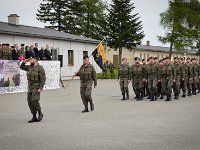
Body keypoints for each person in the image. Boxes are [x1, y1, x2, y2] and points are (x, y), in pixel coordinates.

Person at [20, 57, 46, 123]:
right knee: (29, 101)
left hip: (36, 87)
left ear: (35, 60)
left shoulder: (40, 68)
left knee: (34, 100)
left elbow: (43, 79)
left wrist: (40, 88)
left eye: (31, 59)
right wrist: (24, 61)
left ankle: (40, 113)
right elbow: (21, 67)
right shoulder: (29, 67)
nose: (30, 61)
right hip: (30, 87)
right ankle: (34, 116)